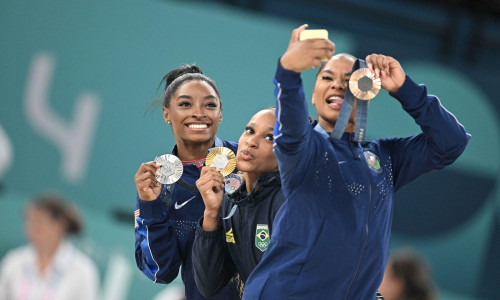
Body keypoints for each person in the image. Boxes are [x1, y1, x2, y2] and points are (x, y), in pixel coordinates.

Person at [243, 25, 470, 299]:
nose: (338, 84)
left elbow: (452, 142)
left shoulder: (385, 157)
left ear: (366, 93)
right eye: (327, 77)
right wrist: (288, 72)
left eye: (349, 79)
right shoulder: (305, 149)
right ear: (314, 96)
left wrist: (404, 89)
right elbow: (290, 128)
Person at [134, 64, 239, 300]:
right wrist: (150, 207)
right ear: (166, 114)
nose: (199, 113)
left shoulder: (248, 159)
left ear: (220, 113)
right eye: (185, 104)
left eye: (210, 105)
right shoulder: (158, 183)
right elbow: (161, 271)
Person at [192, 107, 284, 298]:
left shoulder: (289, 202)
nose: (251, 141)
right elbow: (209, 284)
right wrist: (211, 212)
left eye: (270, 138)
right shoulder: (232, 201)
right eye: (250, 131)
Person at [0, 193, 100, 300]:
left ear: (60, 225)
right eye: (29, 221)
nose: (32, 228)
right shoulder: (14, 260)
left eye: (39, 222)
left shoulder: (83, 271)